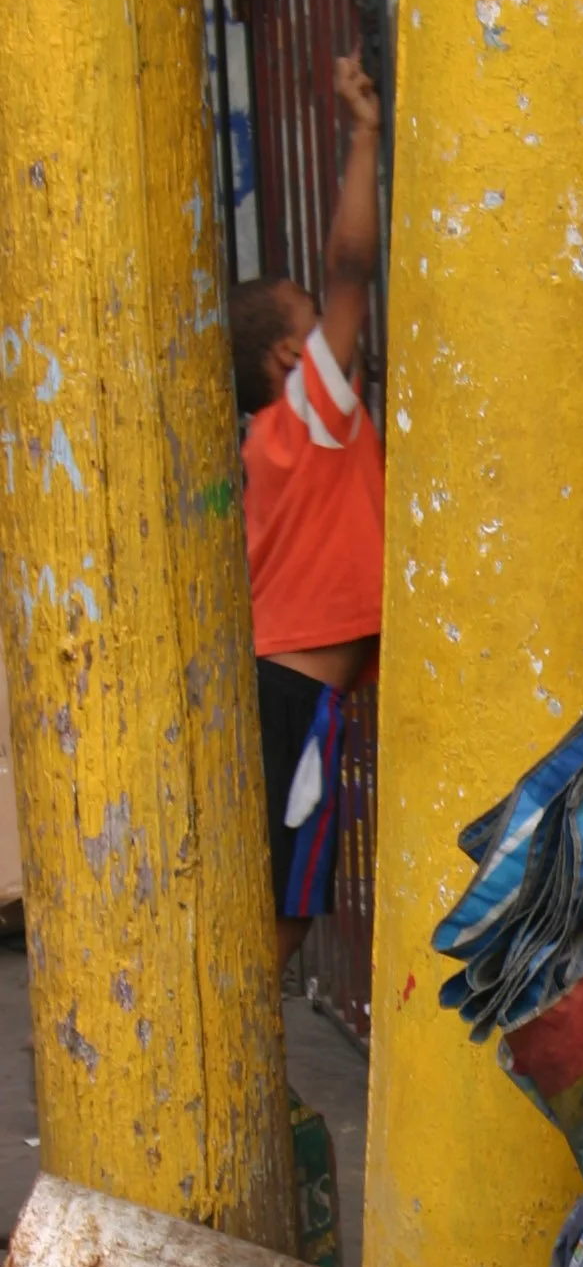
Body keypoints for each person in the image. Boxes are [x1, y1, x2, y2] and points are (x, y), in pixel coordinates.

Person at [229, 53, 386, 972]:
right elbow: (352, 271)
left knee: (278, 896)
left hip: (281, 689)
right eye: (311, 322)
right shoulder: (309, 417)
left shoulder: (271, 444)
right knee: (284, 910)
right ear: (292, 357)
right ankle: (244, 1087)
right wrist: (362, 136)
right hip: (295, 699)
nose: (334, 334)